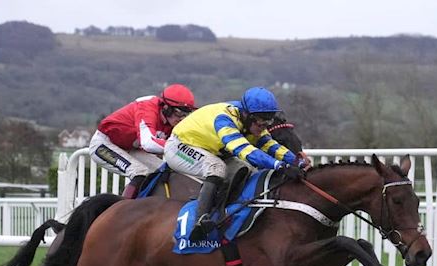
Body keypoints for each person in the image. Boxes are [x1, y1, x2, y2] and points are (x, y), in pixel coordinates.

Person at [163, 86, 306, 240]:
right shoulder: (224, 119)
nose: (264, 126)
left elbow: (270, 146)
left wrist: (296, 160)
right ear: (247, 116)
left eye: (268, 121)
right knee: (216, 168)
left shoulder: (252, 121)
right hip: (180, 146)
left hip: (210, 149)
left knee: (247, 169)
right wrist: (280, 165)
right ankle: (200, 221)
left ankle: (224, 211)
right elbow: (245, 151)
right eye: (261, 121)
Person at [88, 84, 196, 199]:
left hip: (131, 148)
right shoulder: (147, 107)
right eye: (179, 113)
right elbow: (148, 143)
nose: (181, 119)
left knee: (162, 171)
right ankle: (126, 207)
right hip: (104, 145)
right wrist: (179, 148)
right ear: (166, 108)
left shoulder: (172, 121)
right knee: (139, 172)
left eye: (186, 114)